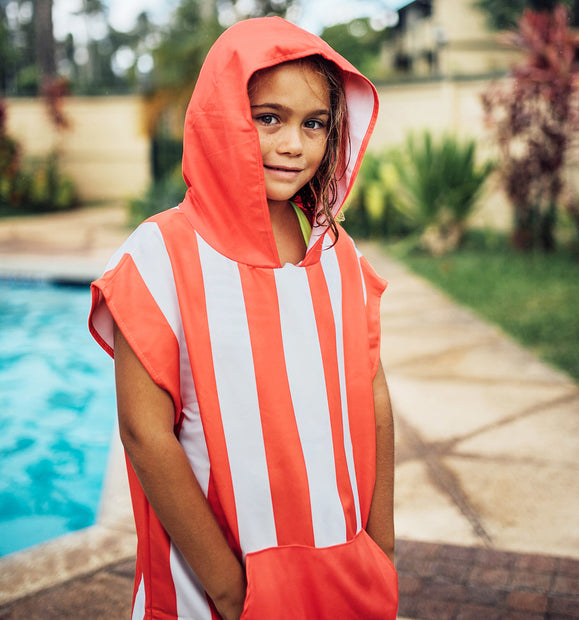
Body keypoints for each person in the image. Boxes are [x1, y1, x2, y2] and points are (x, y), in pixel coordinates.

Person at [89, 16, 398, 620]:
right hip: (213, 590)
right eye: (268, 118)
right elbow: (144, 433)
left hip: (341, 575)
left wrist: (380, 544)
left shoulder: (338, 254)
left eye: (314, 124)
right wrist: (230, 590)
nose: (294, 145)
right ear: (219, 116)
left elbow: (372, 393)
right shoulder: (159, 257)